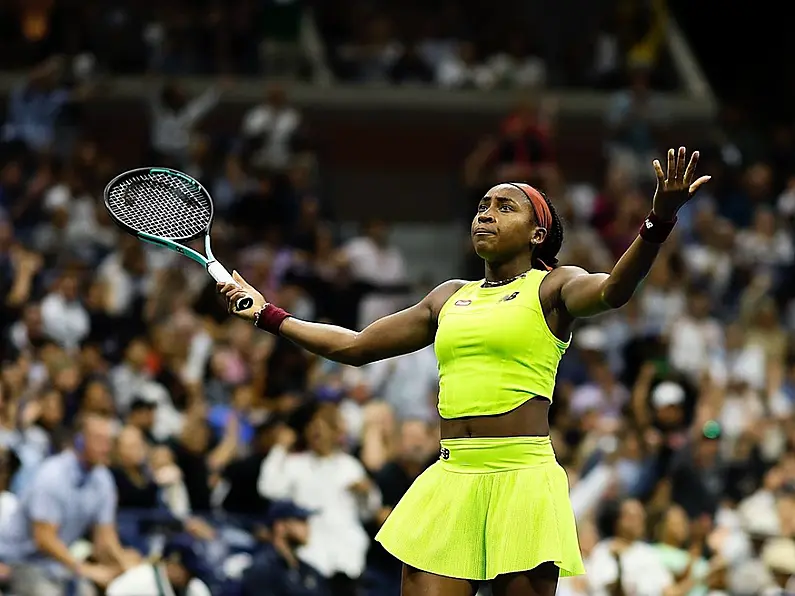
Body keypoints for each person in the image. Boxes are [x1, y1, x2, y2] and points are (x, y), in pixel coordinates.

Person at [219, 147, 710, 596]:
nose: (486, 214)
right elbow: (357, 345)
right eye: (481, 206)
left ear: (537, 233)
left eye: (504, 207)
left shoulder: (555, 286)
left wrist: (657, 221)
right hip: (453, 474)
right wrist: (270, 315)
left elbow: (614, 290)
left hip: (522, 477)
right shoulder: (448, 295)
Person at [0, 413, 137, 595]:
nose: (106, 447)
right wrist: (85, 570)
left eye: (108, 440)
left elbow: (105, 539)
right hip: (19, 562)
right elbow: (44, 540)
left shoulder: (103, 479)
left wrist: (127, 566)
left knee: (90, 592)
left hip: (57, 564)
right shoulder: (52, 475)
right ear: (79, 441)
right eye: (98, 439)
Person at [240, 500, 330, 596]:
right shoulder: (263, 568)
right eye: (301, 521)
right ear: (280, 526)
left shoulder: (309, 571)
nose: (307, 528)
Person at [106, 533, 212, 596]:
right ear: (172, 563)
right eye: (187, 571)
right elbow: (113, 592)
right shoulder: (138, 580)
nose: (190, 577)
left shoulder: (196, 588)